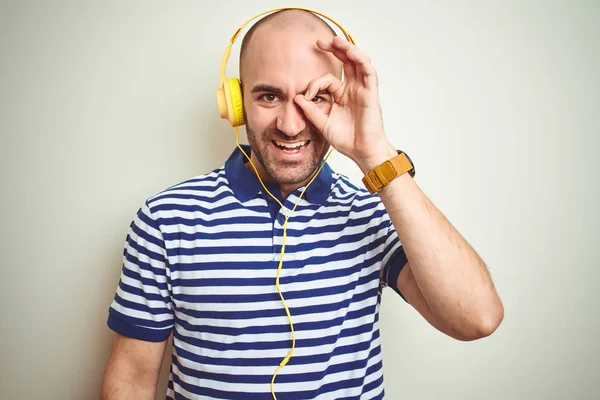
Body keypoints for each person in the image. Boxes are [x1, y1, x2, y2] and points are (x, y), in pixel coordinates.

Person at [101, 8, 503, 400]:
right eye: (269, 96)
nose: (291, 125)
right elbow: (132, 378)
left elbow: (477, 319)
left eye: (316, 96)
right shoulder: (166, 220)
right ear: (236, 103)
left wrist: (376, 153)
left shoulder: (375, 210)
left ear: (340, 99)